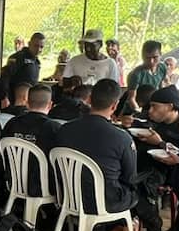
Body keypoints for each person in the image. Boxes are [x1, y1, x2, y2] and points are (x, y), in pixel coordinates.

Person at [54, 79, 137, 214]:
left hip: (69, 197)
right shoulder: (122, 138)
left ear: (90, 99)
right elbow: (130, 177)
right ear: (115, 105)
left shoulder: (64, 129)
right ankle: (125, 228)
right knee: (136, 192)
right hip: (106, 203)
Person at [132, 85, 179, 231]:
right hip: (145, 167)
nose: (150, 111)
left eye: (154, 106)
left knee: (141, 184)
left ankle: (154, 228)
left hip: (170, 173)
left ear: (170, 107)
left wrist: (160, 143)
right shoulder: (154, 121)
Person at [0, 84, 62, 196]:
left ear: (27, 102)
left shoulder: (12, 123)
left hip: (12, 181)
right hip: (43, 187)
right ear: (50, 105)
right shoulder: (54, 128)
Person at [0, 32, 44, 100]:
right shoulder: (18, 57)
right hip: (15, 98)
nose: (39, 49)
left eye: (41, 47)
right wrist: (5, 97)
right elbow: (5, 77)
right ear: (29, 44)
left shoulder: (37, 62)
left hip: (29, 99)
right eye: (36, 46)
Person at [126, 40, 166, 111]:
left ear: (160, 55)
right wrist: (138, 112)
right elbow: (131, 98)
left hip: (153, 106)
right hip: (137, 107)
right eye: (147, 58)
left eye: (155, 57)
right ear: (142, 56)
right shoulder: (136, 74)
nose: (151, 61)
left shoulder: (162, 68)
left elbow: (161, 87)